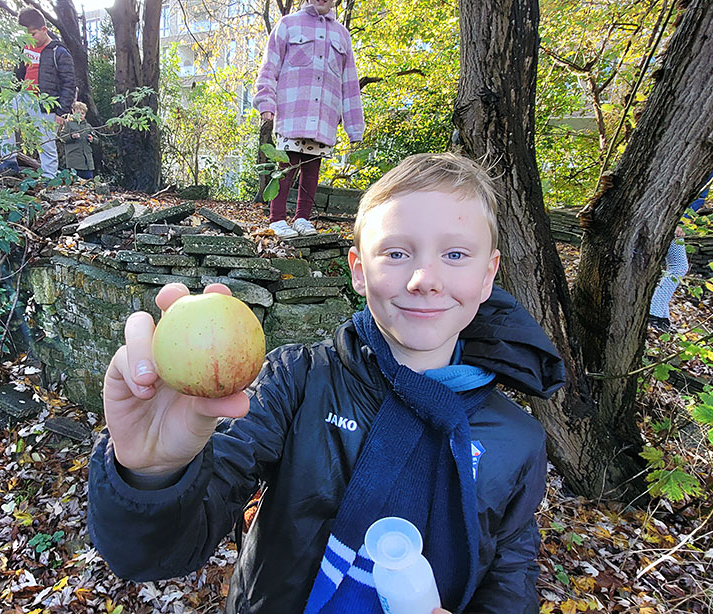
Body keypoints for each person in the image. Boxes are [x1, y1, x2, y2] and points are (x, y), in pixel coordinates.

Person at [87, 153, 565, 614]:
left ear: (488, 275)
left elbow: (509, 582)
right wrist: (152, 475)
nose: (424, 278)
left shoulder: (517, 441)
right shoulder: (297, 382)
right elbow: (157, 554)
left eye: (455, 254)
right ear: (359, 271)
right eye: (396, 253)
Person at [254, 0, 365, 238]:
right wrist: (266, 102)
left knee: (312, 168)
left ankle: (302, 218)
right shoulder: (288, 24)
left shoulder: (341, 35)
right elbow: (269, 67)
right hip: (293, 112)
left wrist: (354, 127)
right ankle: (277, 218)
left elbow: (350, 83)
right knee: (286, 166)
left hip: (324, 116)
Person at [648, 133, 713, 331]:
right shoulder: (703, 169)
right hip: (669, 222)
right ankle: (654, 314)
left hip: (673, 222)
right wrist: (678, 221)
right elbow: (683, 195)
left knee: (678, 266)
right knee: (678, 266)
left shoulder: (705, 167)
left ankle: (661, 316)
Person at [0, 7, 75, 180]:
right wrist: (5, 98)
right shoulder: (26, 48)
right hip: (24, 96)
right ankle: (9, 161)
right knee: (3, 118)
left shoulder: (59, 52)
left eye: (33, 34)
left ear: (44, 29)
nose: (30, 38)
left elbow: (69, 83)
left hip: (46, 103)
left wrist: (62, 112)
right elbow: (17, 75)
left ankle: (49, 177)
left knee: (46, 142)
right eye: (27, 35)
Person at [60, 101, 95, 180]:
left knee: (89, 182)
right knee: (75, 182)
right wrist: (72, 136)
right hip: (74, 161)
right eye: (78, 113)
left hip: (87, 162)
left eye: (82, 113)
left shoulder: (88, 126)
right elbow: (62, 137)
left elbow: (97, 140)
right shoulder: (68, 124)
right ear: (73, 112)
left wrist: (92, 139)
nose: (80, 115)